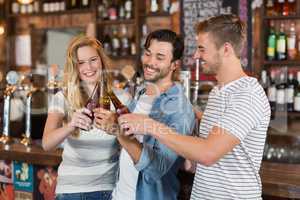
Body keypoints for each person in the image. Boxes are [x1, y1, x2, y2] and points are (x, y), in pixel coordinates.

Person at [118, 14, 271, 200]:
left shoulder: (247, 95)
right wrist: (180, 158)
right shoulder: (218, 92)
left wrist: (149, 125)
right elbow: (207, 161)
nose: (196, 55)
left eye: (202, 49)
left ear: (226, 50)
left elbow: (208, 153)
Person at [94, 29, 195, 200]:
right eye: (148, 54)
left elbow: (157, 169)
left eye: (160, 57)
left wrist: (118, 131)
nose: (150, 62)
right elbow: (127, 146)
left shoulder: (179, 109)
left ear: (174, 65)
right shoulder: (140, 94)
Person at [42, 35, 127, 200]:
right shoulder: (63, 98)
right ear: (75, 67)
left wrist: (116, 128)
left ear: (101, 61)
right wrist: (70, 126)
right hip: (72, 192)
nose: (88, 67)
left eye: (93, 59)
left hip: (108, 190)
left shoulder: (122, 98)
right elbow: (47, 144)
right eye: (81, 63)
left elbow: (132, 142)